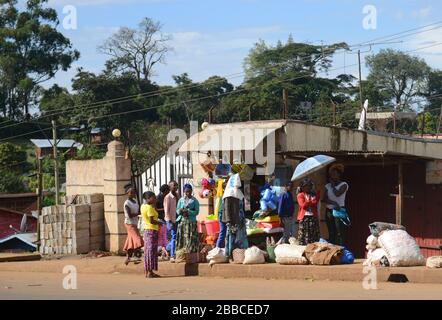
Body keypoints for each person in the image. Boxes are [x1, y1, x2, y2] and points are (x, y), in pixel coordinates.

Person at [221, 174, 248, 257]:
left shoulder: (238, 192)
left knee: (241, 236)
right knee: (231, 237)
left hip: (240, 218)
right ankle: (230, 254)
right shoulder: (228, 193)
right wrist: (228, 220)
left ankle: (241, 253)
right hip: (233, 219)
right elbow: (226, 209)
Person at [324, 164, 349, 246]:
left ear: (339, 174)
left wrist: (333, 185)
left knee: (340, 232)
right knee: (331, 232)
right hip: (329, 211)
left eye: (335, 174)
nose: (333, 176)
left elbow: (337, 194)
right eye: (331, 174)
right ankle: (332, 252)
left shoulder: (344, 185)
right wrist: (333, 203)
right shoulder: (327, 186)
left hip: (339, 210)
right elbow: (325, 199)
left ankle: (341, 251)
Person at [175, 184, 200, 258]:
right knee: (182, 238)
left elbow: (197, 212)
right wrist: (180, 211)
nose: (188, 193)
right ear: (184, 192)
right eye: (186, 192)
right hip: (182, 222)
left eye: (189, 191)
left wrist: (188, 211)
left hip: (191, 223)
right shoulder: (181, 200)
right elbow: (177, 210)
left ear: (191, 191)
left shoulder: (194, 200)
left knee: (190, 238)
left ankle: (190, 254)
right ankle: (182, 255)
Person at [141, 191, 160, 278]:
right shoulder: (149, 208)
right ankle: (149, 272)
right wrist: (159, 222)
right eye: (153, 197)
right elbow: (151, 220)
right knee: (151, 251)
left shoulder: (143, 206)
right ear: (148, 199)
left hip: (147, 230)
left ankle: (148, 271)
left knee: (148, 251)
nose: (155, 199)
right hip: (151, 231)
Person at [123, 184, 143, 265]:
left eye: (133, 192)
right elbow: (129, 215)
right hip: (129, 223)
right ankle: (135, 256)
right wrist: (138, 214)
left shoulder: (135, 201)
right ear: (127, 193)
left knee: (130, 240)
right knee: (137, 239)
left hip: (135, 223)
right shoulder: (126, 203)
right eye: (131, 192)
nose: (132, 194)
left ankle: (128, 257)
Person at [296, 178, 320, 245]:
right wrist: (311, 202)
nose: (308, 187)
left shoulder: (313, 194)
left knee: (313, 235)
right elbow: (303, 205)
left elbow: (316, 201)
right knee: (303, 236)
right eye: (307, 186)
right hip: (304, 218)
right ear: (303, 187)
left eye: (310, 185)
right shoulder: (300, 195)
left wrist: (309, 202)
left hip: (313, 217)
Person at [164, 180, 179, 262]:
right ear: (170, 187)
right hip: (171, 220)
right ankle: (172, 255)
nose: (176, 187)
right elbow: (166, 211)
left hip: (177, 219)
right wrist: (170, 222)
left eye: (177, 185)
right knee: (173, 237)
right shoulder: (167, 197)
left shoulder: (177, 195)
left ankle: (167, 249)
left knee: (176, 237)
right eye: (174, 185)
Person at [156, 184, 170, 260]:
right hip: (160, 220)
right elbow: (155, 209)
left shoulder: (165, 197)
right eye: (168, 190)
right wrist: (164, 209)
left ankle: (164, 251)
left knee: (165, 236)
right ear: (165, 191)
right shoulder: (158, 198)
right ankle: (162, 250)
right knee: (163, 236)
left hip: (164, 219)